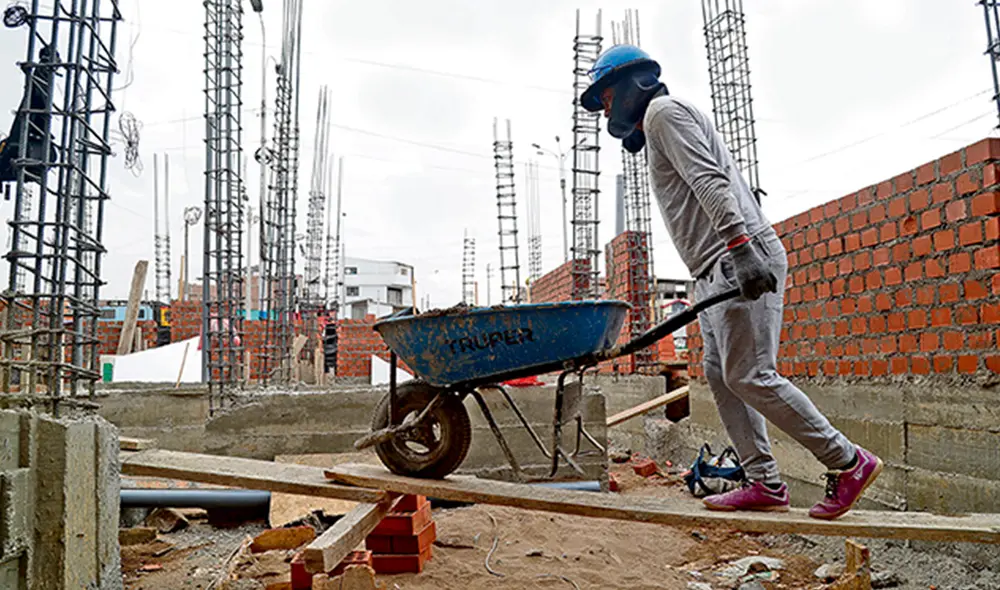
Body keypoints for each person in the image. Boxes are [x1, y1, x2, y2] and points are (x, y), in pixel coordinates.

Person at [580, 44, 882, 520]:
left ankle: (847, 461)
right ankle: (764, 481)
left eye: (606, 98)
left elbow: (711, 180)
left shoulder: (663, 113)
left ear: (629, 85)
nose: (606, 111)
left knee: (750, 374)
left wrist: (741, 249)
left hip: (736, 256)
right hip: (712, 267)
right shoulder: (660, 122)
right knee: (723, 376)